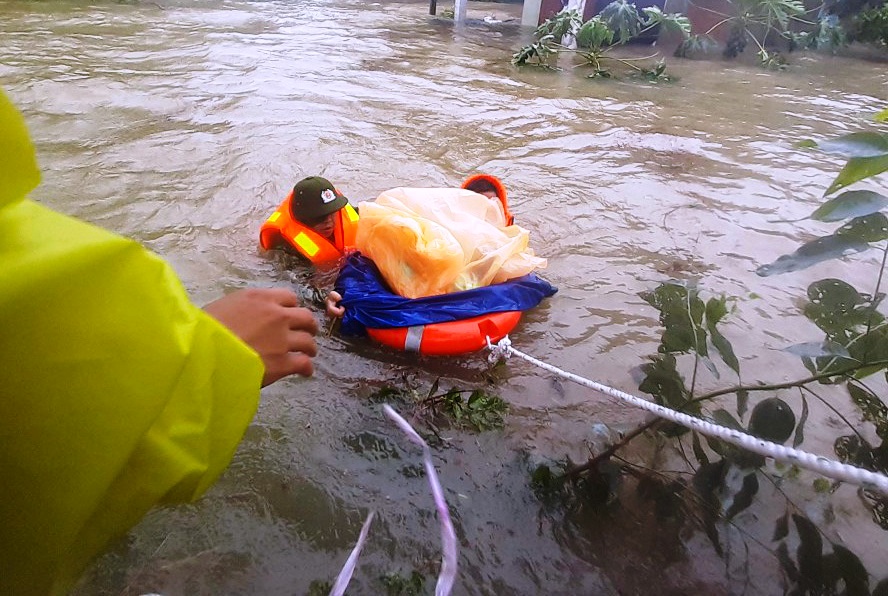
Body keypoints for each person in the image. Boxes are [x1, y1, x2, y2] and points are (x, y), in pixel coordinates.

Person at [0, 89, 320, 596]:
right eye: (320, 220)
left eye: (332, 217)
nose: (329, 225)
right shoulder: (278, 245)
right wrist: (209, 357)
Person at [259, 175, 360, 265]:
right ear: (303, 218)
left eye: (332, 213)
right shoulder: (287, 249)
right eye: (321, 216)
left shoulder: (343, 212)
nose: (329, 221)